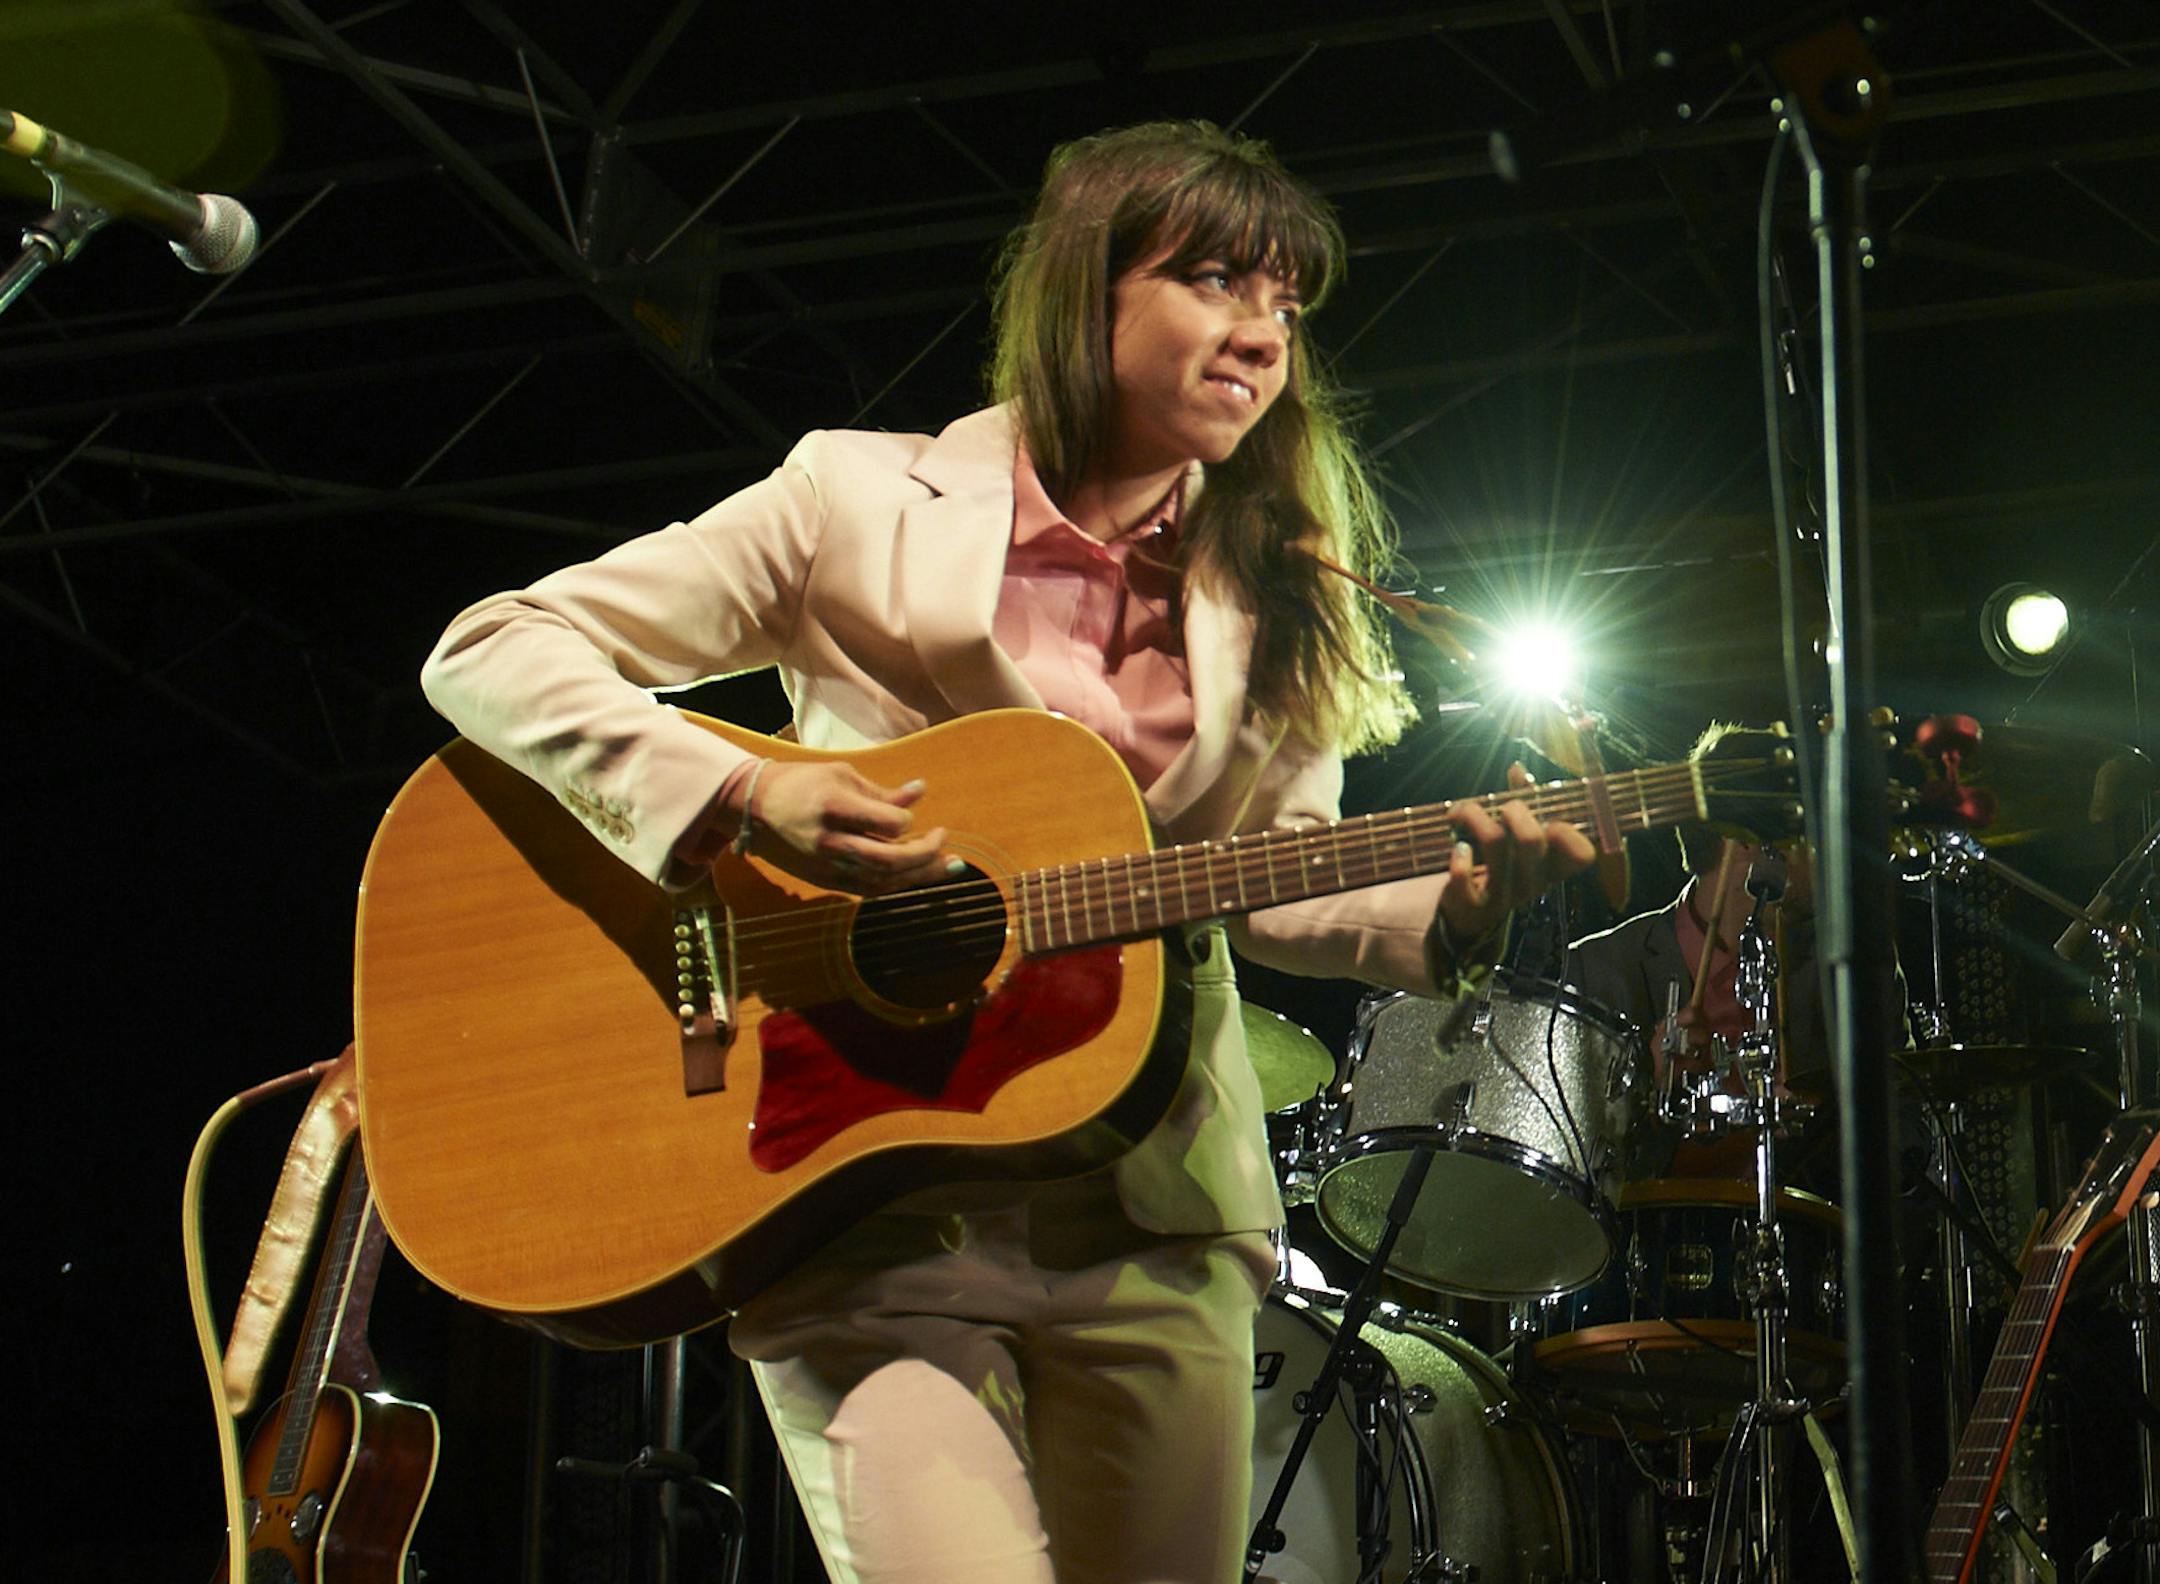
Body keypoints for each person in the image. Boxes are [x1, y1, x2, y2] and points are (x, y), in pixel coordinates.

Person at [420, 119, 1593, 1584]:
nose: (1262, 334)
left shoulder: (1282, 589)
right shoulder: (850, 499)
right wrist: (740, 794)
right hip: (854, 1184)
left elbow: (1280, 878)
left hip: (1154, 1199)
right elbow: (493, 648)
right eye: (1220, 280)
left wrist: (1458, 910)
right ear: (1085, 288)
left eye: (1289, 306)